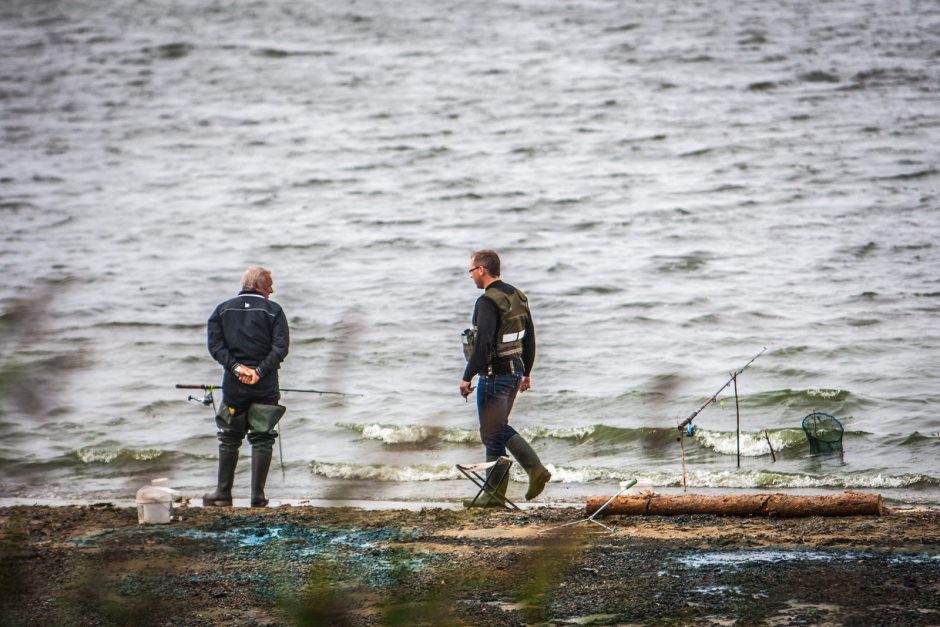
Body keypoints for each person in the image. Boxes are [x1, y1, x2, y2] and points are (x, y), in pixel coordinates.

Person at [459, 249, 551, 506]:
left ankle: (534, 469)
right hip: (515, 373)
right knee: (495, 432)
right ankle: (494, 495)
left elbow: (483, 345)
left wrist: (467, 377)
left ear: (481, 270)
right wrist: (527, 372)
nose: (471, 277)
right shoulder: (517, 296)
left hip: (495, 376)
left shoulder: (487, 302)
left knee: (493, 431)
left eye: (471, 271)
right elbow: (530, 338)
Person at [203, 266, 289, 508]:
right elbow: (280, 348)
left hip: (234, 385)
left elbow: (216, 346)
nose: (272, 290)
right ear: (258, 286)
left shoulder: (222, 310)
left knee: (229, 436)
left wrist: (236, 368)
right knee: (262, 437)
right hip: (265, 385)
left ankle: (222, 494)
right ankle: (257, 497)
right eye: (269, 285)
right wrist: (259, 371)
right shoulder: (273, 311)